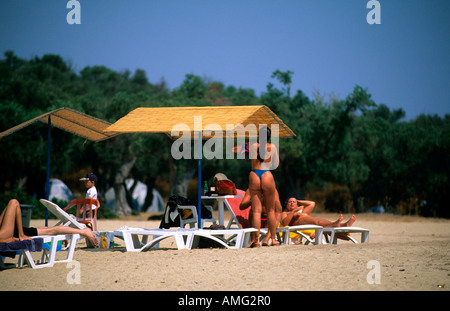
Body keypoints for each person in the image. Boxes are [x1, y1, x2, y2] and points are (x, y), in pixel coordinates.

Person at [0, 199, 98, 247]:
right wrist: (18, 236)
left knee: (48, 229)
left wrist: (18, 236)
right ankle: (84, 232)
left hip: (12, 232)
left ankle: (84, 232)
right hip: (11, 233)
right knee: (52, 230)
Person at [247, 127, 281, 247]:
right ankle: (273, 238)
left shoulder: (252, 146)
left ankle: (256, 240)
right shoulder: (272, 147)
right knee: (271, 210)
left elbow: (237, 149)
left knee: (256, 211)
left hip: (254, 174)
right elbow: (276, 164)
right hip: (266, 174)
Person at [280, 197, 356, 228]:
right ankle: (335, 224)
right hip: (300, 222)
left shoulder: (302, 211)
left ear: (297, 204)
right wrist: (293, 211)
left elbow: (312, 203)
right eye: (290, 202)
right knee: (317, 222)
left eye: (294, 202)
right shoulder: (285, 213)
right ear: (286, 205)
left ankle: (344, 224)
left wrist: (298, 201)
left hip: (307, 219)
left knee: (319, 221)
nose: (292, 203)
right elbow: (284, 223)